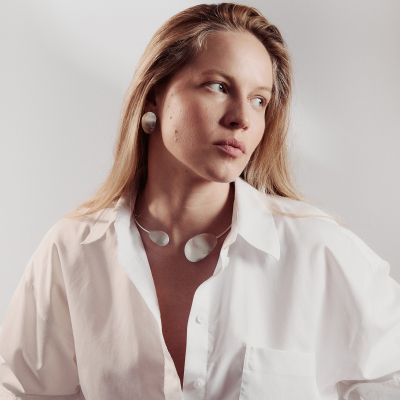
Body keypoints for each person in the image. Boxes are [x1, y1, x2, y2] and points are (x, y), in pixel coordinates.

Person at [1, 2, 399, 399]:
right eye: (219, 87)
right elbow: (20, 390)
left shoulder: (316, 250)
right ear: (154, 95)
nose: (242, 117)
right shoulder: (73, 252)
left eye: (259, 100)